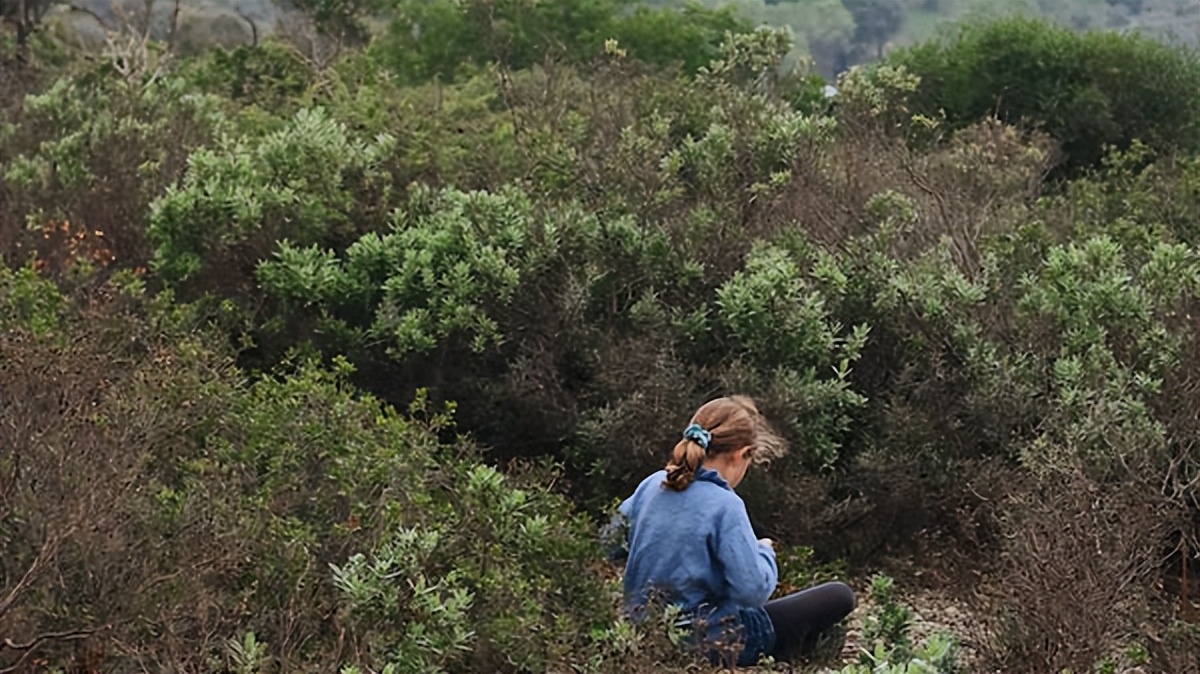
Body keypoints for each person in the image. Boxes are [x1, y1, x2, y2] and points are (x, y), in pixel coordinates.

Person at [603, 395, 856, 667]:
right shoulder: (726, 505)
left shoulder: (652, 485)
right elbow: (752, 592)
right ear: (741, 454)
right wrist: (764, 553)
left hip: (642, 633)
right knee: (839, 595)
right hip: (710, 641)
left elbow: (608, 544)